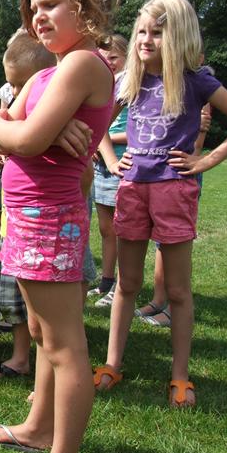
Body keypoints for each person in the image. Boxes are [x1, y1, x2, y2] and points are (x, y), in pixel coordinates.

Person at [0, 0, 119, 453]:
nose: (38, 16)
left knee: (65, 345)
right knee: (39, 330)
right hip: (24, 218)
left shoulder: (83, 63)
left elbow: (19, 137)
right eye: (34, 7)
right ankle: (39, 428)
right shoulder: (42, 76)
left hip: (50, 219)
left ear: (87, 1)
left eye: (51, 4)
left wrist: (3, 122)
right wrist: (16, 128)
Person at [93, 0, 227, 408]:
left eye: (156, 33)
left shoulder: (196, 81)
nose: (145, 40)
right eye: (141, 32)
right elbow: (96, 125)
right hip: (133, 188)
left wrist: (206, 160)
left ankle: (180, 376)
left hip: (174, 189)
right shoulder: (127, 82)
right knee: (127, 284)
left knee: (179, 290)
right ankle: (112, 364)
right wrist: (111, 160)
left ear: (179, 37)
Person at [0, 30, 55, 380]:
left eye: (21, 84)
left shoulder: (56, 113)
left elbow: (15, 139)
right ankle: (21, 358)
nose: (14, 92)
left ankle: (46, 370)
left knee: (42, 308)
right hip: (14, 226)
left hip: (44, 225)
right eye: (10, 85)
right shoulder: (13, 108)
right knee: (11, 298)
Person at [136, 103, 212, 327]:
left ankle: (173, 308)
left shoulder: (198, 88)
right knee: (160, 243)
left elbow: (199, 136)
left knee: (175, 244)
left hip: (179, 177)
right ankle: (159, 300)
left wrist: (198, 159)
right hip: (156, 174)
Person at [87, 34, 129, 306]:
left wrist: (106, 143)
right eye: (104, 58)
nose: (109, 63)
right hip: (101, 163)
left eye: (114, 57)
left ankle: (121, 286)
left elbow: (137, 130)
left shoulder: (129, 83)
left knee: (122, 227)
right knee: (105, 228)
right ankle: (106, 280)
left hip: (122, 162)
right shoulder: (104, 83)